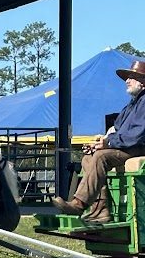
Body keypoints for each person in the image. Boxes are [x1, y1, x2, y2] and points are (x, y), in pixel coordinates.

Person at [53, 59, 145, 223]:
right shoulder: (131, 104)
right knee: (89, 158)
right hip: (125, 146)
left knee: (100, 157)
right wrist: (100, 142)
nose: (127, 81)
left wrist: (108, 144)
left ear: (143, 82)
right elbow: (115, 129)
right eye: (127, 77)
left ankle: (79, 204)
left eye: (131, 77)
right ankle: (100, 209)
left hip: (138, 147)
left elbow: (137, 136)